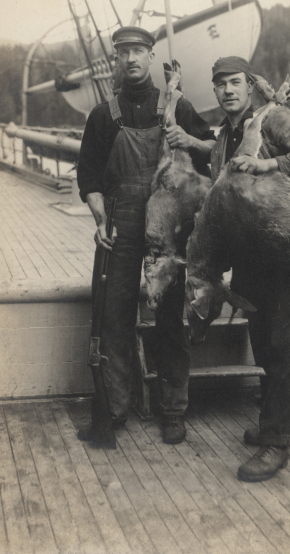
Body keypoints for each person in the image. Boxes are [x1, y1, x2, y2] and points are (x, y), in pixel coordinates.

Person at [77, 26, 215, 445]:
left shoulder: (177, 107)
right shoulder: (103, 115)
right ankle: (114, 409)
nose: (132, 59)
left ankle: (173, 411)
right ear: (116, 60)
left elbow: (212, 151)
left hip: (167, 226)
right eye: (125, 53)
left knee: (170, 316)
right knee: (114, 316)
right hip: (118, 224)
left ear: (151, 56)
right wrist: (100, 217)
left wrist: (186, 139)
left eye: (139, 51)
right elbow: (89, 176)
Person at [210, 56, 290, 482]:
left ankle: (276, 442)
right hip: (249, 258)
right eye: (221, 84)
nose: (228, 90)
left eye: (235, 82)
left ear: (250, 87)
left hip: (282, 255)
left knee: (282, 348)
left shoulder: (273, 117)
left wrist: (271, 164)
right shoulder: (225, 135)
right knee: (266, 347)